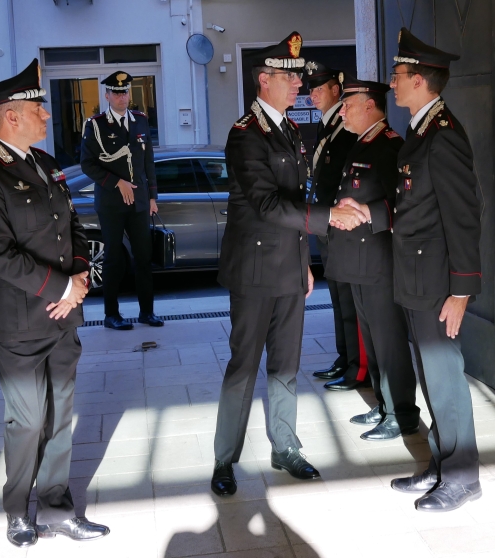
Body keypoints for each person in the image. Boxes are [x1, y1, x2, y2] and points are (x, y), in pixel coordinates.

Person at [0, 59, 109, 547]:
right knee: (27, 420)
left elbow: (75, 228)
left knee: (61, 417)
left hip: (63, 320)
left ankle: (59, 507)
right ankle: (17, 513)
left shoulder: (45, 166)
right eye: (37, 107)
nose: (47, 114)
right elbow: (0, 253)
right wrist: (62, 288)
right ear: (11, 117)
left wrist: (81, 272)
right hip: (19, 324)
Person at [211, 32, 368, 496]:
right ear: (264, 81)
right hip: (255, 271)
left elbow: (295, 201)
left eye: (299, 77)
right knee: (243, 366)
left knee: (286, 365)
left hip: (289, 269)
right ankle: (224, 460)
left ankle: (285, 446)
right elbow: (265, 204)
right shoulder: (245, 135)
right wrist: (329, 217)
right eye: (289, 77)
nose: (298, 84)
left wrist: (304, 262)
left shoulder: (292, 130)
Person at [382, 27, 482, 512]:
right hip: (416, 280)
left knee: (445, 377)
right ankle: (443, 464)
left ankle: (463, 476)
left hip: (438, 284)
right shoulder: (422, 130)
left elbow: (464, 216)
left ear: (420, 80)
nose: (394, 83)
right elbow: (412, 207)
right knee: (430, 376)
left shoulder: (443, 136)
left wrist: (461, 291)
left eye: (399, 75)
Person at [327, 75, 419, 440]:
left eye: (349, 104)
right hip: (360, 263)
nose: (343, 110)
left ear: (370, 105)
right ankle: (383, 405)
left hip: (380, 261)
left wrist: (368, 211)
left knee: (389, 339)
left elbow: (404, 203)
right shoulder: (361, 143)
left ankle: (403, 414)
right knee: (372, 337)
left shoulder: (388, 146)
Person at [304, 60, 369, 391]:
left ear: (336, 89)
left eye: (320, 88)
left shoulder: (345, 129)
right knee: (338, 298)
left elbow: (348, 181)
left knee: (349, 300)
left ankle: (359, 367)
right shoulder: (326, 126)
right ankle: (345, 358)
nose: (313, 95)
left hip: (343, 227)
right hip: (327, 226)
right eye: (311, 89)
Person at [80, 71, 163, 330]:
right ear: (107, 95)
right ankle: (111, 314)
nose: (122, 96)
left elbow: (148, 163)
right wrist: (117, 182)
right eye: (116, 92)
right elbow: (87, 164)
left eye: (125, 91)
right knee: (114, 259)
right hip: (111, 203)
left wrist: (152, 197)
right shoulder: (95, 125)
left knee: (143, 257)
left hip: (138, 202)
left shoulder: (140, 121)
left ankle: (147, 312)